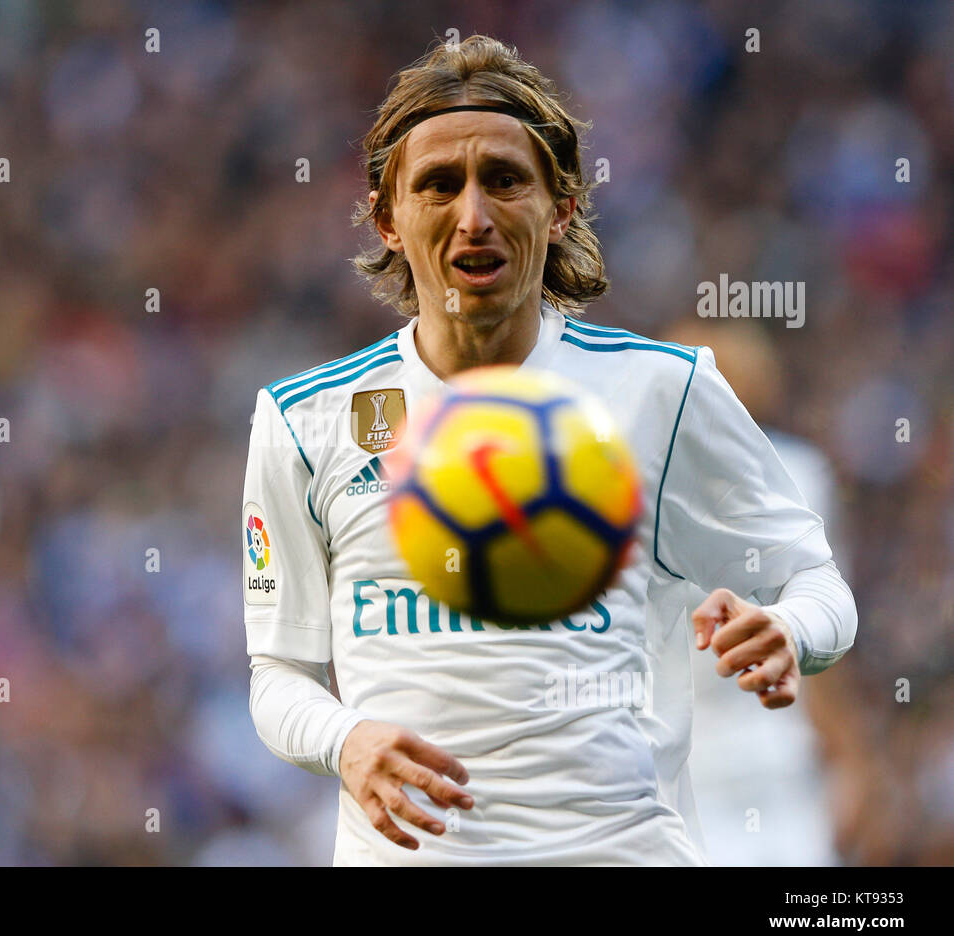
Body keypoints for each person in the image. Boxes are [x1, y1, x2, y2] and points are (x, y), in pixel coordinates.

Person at [241, 35, 857, 865]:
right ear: (388, 218)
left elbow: (818, 585)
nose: (473, 216)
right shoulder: (303, 420)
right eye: (437, 185)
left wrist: (790, 628)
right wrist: (342, 739)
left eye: (504, 179)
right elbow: (279, 673)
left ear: (560, 206)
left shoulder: (664, 393)